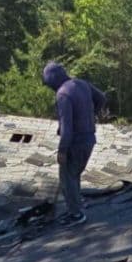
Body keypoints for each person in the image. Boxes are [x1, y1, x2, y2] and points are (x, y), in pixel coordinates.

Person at [42, 61, 105, 225]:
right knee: (75, 173)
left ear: (53, 81)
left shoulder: (63, 94)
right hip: (89, 139)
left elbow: (66, 127)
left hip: (75, 143)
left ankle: (76, 214)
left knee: (67, 177)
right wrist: (91, 115)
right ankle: (77, 203)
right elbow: (101, 98)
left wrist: (62, 150)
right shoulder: (81, 84)